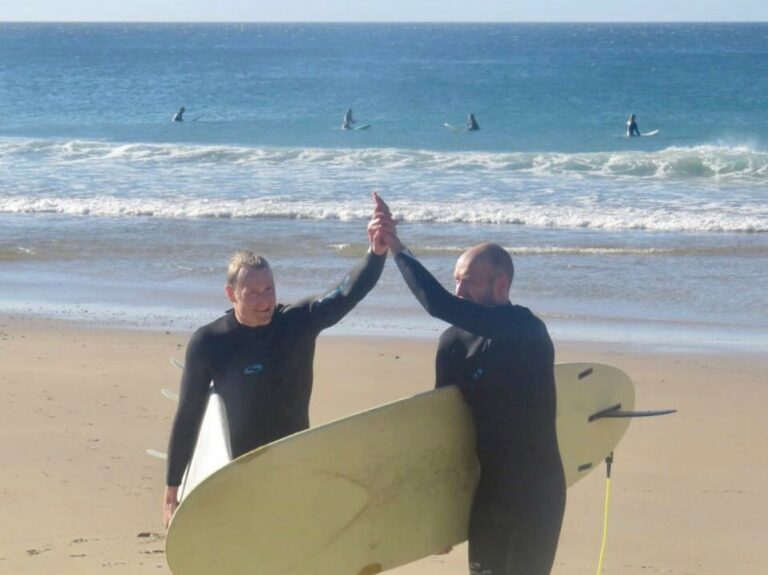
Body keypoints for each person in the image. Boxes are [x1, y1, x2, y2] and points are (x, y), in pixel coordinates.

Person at [370, 193, 565, 575]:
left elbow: (439, 304)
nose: (459, 292)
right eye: (456, 281)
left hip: (537, 493)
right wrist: (439, 517)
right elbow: (446, 429)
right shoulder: (454, 344)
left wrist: (396, 247)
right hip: (488, 495)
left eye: (469, 283)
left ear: (501, 284)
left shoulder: (527, 330)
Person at [163, 205, 388, 528]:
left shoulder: (296, 324)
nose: (264, 300)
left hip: (295, 462)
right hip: (238, 469)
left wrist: (376, 253)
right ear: (231, 294)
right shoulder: (210, 343)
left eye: (268, 289)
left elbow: (345, 293)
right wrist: (173, 488)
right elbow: (188, 415)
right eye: (252, 293)